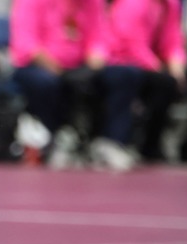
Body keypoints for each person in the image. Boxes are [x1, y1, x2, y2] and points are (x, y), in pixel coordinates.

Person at [8, 0, 142, 171]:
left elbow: (100, 38)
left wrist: (95, 58)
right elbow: (26, 43)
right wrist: (58, 69)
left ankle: (110, 142)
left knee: (125, 75)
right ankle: (51, 141)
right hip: (38, 65)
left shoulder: (93, 3)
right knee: (47, 83)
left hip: (80, 65)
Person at [106, 0, 187, 165]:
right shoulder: (132, 3)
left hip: (159, 65)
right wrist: (160, 69)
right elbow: (131, 45)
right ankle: (150, 144)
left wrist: (177, 67)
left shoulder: (171, 5)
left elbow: (173, 42)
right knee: (165, 83)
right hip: (128, 64)